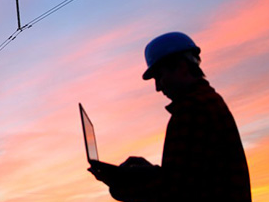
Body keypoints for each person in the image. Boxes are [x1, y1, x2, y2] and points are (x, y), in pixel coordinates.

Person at [89, 32, 251, 202]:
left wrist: (119, 185)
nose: (158, 88)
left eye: (159, 76)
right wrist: (150, 172)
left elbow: (174, 192)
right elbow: (190, 176)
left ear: (182, 67)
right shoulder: (207, 102)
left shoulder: (191, 111)